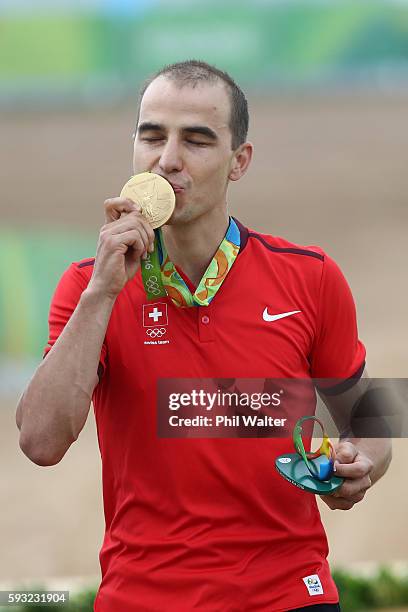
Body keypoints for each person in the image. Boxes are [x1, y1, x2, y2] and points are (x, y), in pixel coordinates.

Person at [16, 60, 391, 611]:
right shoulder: (87, 285)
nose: (168, 161)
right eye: (152, 137)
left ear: (239, 162)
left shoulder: (312, 275)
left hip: (291, 595)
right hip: (142, 597)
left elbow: (372, 422)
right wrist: (102, 293)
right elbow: (39, 443)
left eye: (196, 141)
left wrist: (362, 463)